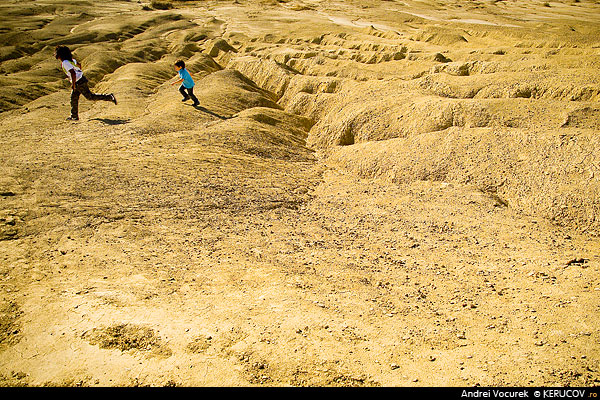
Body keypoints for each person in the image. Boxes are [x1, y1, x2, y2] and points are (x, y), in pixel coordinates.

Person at [54, 45, 117, 121]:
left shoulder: (65, 62)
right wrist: (79, 72)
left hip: (78, 82)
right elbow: (79, 65)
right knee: (74, 98)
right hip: (80, 79)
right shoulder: (71, 60)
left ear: (60, 55)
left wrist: (73, 84)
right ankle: (74, 116)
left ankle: (109, 97)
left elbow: (72, 73)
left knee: (90, 97)